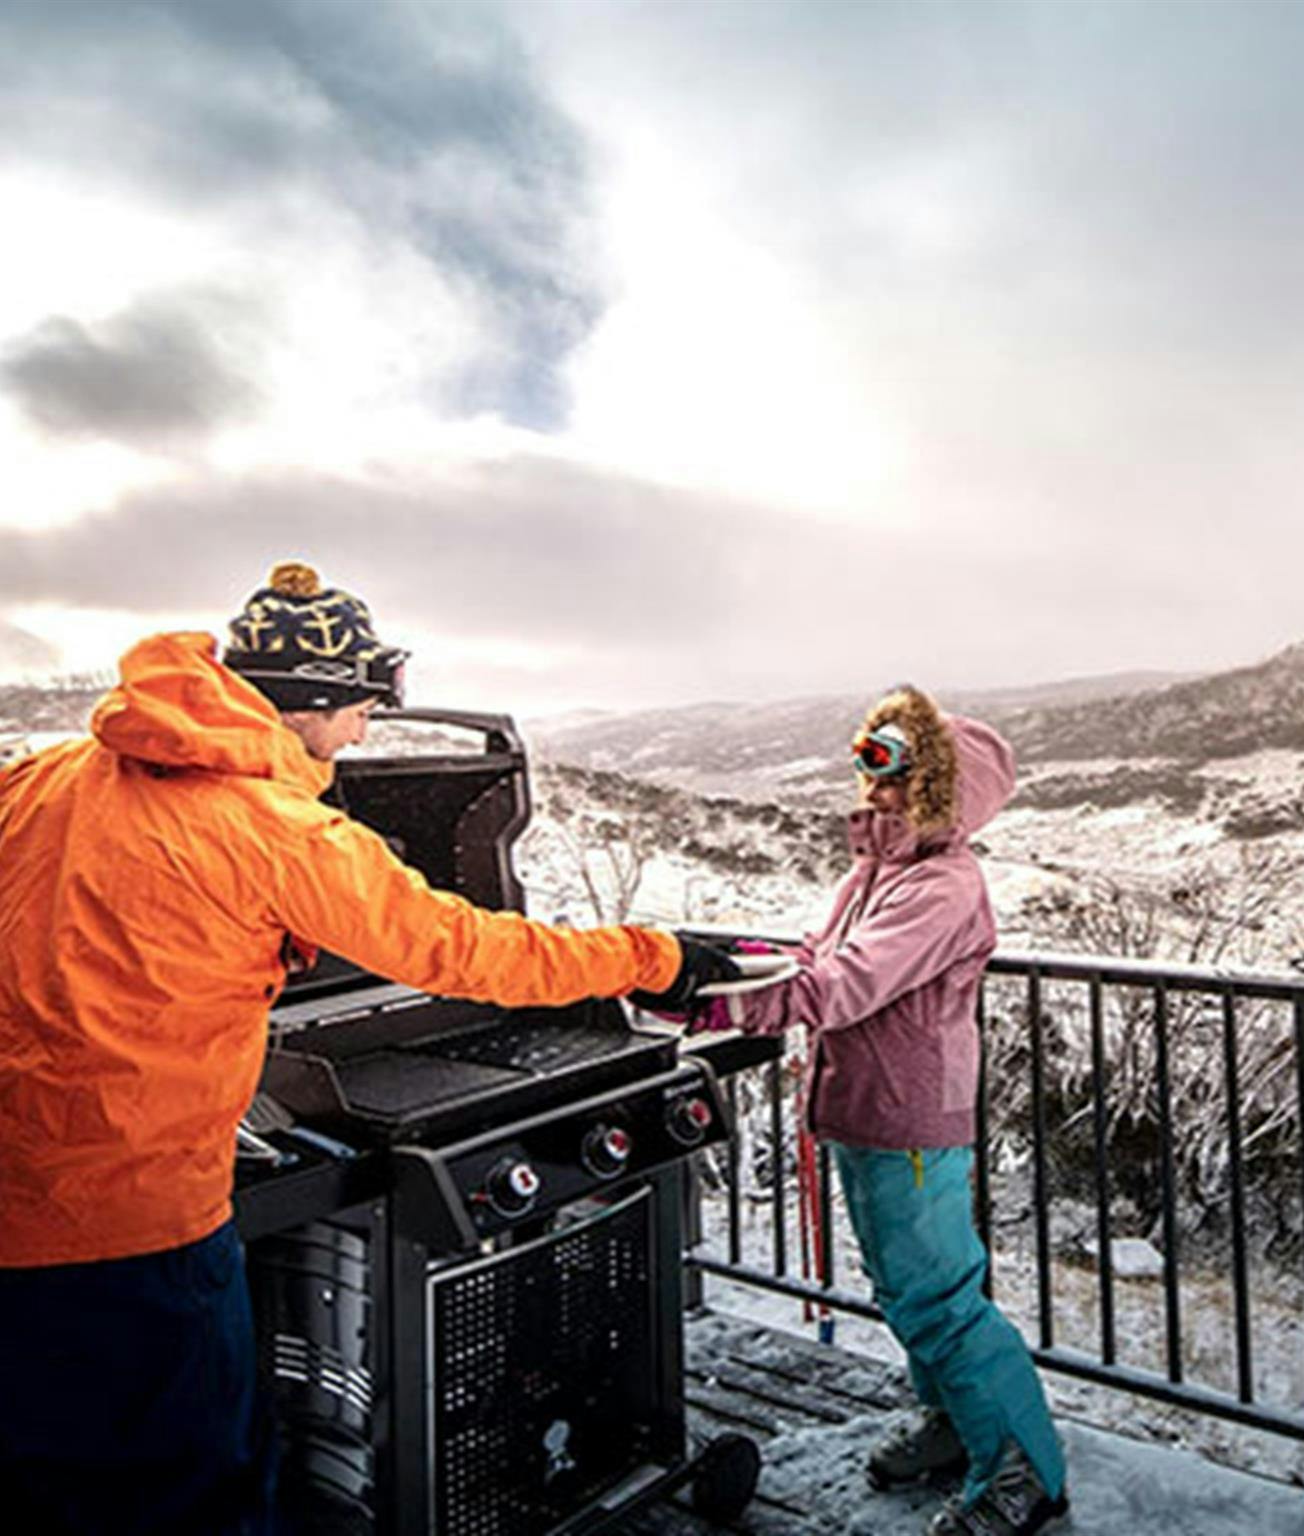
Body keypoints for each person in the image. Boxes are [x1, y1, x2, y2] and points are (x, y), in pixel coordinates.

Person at [0, 561, 734, 1536]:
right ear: (312, 701)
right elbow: (466, 949)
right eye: (359, 709)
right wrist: (651, 956)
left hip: (18, 1211)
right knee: (191, 1489)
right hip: (136, 1225)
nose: (363, 733)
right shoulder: (276, 827)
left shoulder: (47, 775)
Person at [686, 685, 1068, 1536]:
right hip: (866, 1108)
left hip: (910, 1123)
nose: (874, 790)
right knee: (908, 1294)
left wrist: (723, 1007)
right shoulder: (879, 872)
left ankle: (1024, 1476)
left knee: (941, 1301)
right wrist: (740, 964)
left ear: (942, 793)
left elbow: (849, 983)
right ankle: (955, 1427)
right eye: (871, 767)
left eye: (897, 775)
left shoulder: (942, 887)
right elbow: (827, 957)